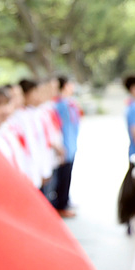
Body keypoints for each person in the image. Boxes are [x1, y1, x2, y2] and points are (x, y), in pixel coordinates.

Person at [54, 75, 81, 218]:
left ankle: (66, 200)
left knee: (68, 174)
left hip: (71, 144)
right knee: (63, 176)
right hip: (65, 146)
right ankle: (61, 205)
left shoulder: (69, 103)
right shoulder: (59, 105)